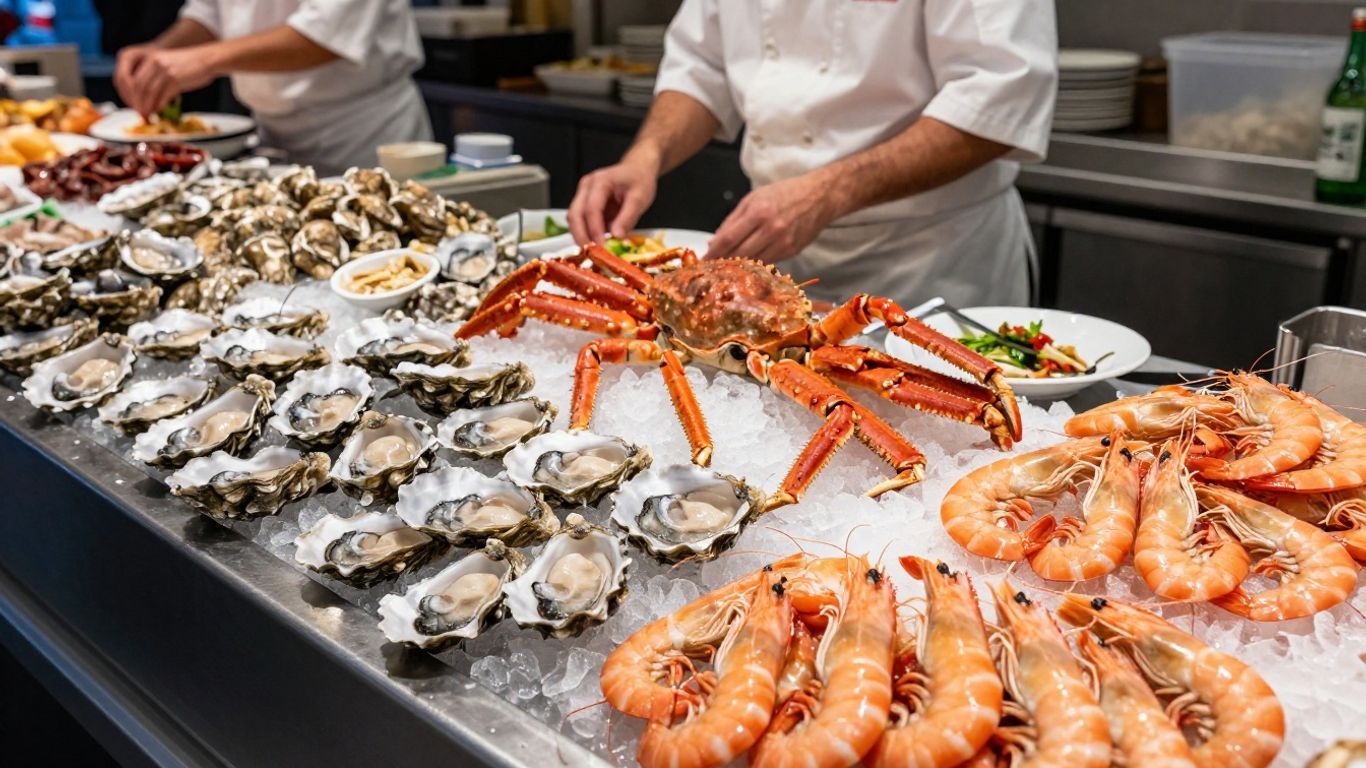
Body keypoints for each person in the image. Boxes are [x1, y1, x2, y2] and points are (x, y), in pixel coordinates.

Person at [568, 1, 1057, 308]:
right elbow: (702, 67)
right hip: (774, 267)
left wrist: (828, 190)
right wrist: (645, 156)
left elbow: (998, 97)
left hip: (926, 264)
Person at [113, 0, 432, 174]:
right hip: (270, 139)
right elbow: (208, 12)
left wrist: (204, 61)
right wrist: (161, 51)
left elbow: (325, 33)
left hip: (363, 138)